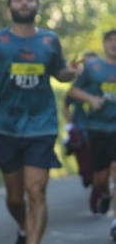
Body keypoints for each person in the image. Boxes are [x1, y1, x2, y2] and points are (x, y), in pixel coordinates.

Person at [0, 0, 79, 244]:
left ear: (37, 6)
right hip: (5, 125)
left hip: (42, 124)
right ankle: (24, 226)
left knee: (36, 191)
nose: (24, 3)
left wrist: (69, 74)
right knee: (16, 199)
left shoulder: (49, 40)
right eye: (19, 0)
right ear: (10, 8)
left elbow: (59, 72)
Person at [68, 30, 116, 239]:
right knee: (101, 178)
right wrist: (90, 99)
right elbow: (73, 91)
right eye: (111, 41)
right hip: (97, 129)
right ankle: (105, 193)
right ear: (105, 44)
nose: (114, 45)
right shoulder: (93, 67)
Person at [62, 51, 97, 211]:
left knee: (102, 169)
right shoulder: (78, 86)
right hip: (81, 132)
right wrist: (71, 126)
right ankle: (87, 177)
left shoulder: (107, 80)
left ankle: (97, 198)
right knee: (85, 169)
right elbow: (66, 103)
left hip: (102, 132)